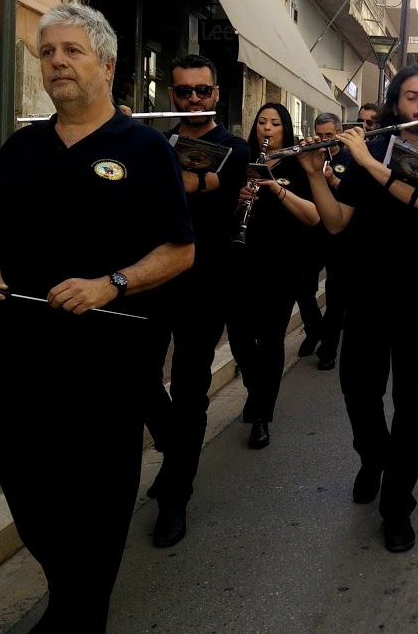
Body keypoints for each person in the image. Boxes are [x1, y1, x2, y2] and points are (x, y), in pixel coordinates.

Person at [0, 3, 195, 633]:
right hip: (15, 353)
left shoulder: (145, 150)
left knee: (98, 499)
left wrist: (110, 284)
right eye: (48, 52)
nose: (58, 62)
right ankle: (72, 594)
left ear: (108, 65)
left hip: (107, 364)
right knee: (20, 475)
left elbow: (180, 249)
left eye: (73, 51)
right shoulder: (21, 147)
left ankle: (80, 610)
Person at [299, 65, 418, 552]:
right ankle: (374, 457)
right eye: (411, 97)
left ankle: (397, 504)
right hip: (368, 293)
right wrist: (314, 176)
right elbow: (335, 223)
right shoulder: (367, 149)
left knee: (414, 406)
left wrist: (366, 162)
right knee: (358, 392)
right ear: (396, 104)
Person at [143, 53, 250, 549]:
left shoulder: (235, 148)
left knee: (189, 389)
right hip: (151, 280)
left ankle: (175, 497)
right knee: (137, 377)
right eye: (183, 91)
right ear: (172, 95)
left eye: (201, 91)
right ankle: (175, 449)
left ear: (216, 94)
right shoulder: (155, 141)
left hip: (205, 283)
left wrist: (167, 175)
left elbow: (209, 189)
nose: (192, 99)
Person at [229, 103, 321, 450]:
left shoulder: (299, 166)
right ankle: (257, 387)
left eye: (276, 124)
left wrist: (276, 188)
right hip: (242, 261)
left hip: (282, 264)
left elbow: (313, 217)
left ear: (286, 129)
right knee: (238, 336)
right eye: (262, 123)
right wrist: (238, 201)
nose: (268, 129)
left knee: (270, 341)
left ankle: (263, 415)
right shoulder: (242, 162)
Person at [296, 112, 345, 368]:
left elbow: (356, 197)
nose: (325, 140)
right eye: (321, 135)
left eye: (329, 135)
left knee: (336, 298)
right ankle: (314, 330)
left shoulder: (350, 159)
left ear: (338, 133)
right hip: (312, 234)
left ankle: (328, 350)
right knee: (304, 290)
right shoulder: (307, 158)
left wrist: (333, 181)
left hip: (339, 236)